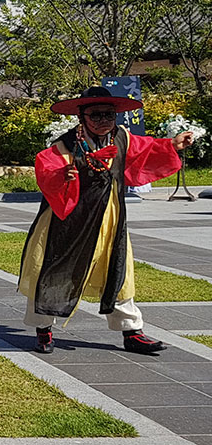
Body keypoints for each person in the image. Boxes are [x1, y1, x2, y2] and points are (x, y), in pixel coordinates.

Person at [20, 87, 195, 355]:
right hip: (68, 219)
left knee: (119, 269)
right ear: (82, 117)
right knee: (55, 270)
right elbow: (47, 170)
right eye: (96, 115)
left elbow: (146, 148)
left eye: (109, 115)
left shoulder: (121, 137)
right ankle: (43, 328)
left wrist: (172, 144)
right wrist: (62, 176)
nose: (103, 120)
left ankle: (132, 331)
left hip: (109, 216)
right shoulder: (65, 144)